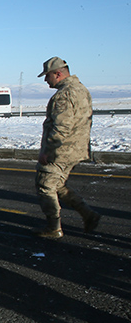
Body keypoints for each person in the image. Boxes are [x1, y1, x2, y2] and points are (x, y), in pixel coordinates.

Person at [34, 56, 100, 238]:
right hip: (75, 148)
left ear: (58, 73)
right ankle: (89, 215)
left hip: (61, 150)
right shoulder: (81, 89)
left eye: (47, 76)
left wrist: (48, 151)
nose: (46, 80)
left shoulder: (64, 94)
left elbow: (61, 127)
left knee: (45, 186)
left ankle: (53, 228)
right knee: (58, 185)